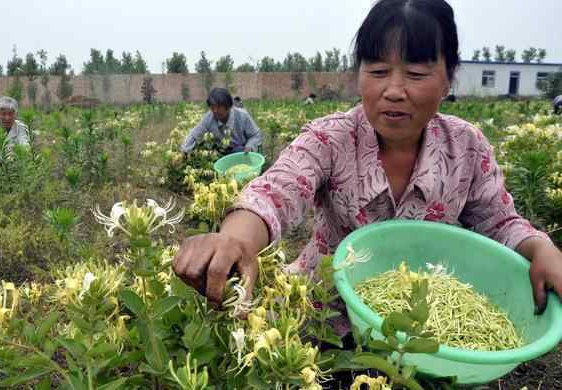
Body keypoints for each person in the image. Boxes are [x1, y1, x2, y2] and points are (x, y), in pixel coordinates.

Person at [173, 0, 562, 317]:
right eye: (377, 71)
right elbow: (276, 191)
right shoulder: (330, 138)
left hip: (425, 318)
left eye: (415, 73)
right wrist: (237, 239)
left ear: (449, 78)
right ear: (358, 76)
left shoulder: (467, 147)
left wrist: (541, 249)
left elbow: (499, 221)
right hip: (324, 314)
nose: (394, 90)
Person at [180, 88, 262, 154]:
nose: (215, 111)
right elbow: (194, 134)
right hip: (222, 149)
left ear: (228, 106)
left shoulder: (242, 116)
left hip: (242, 150)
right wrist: (184, 151)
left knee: (238, 151)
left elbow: (256, 134)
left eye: (219, 107)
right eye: (212, 107)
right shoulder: (209, 117)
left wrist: (249, 146)